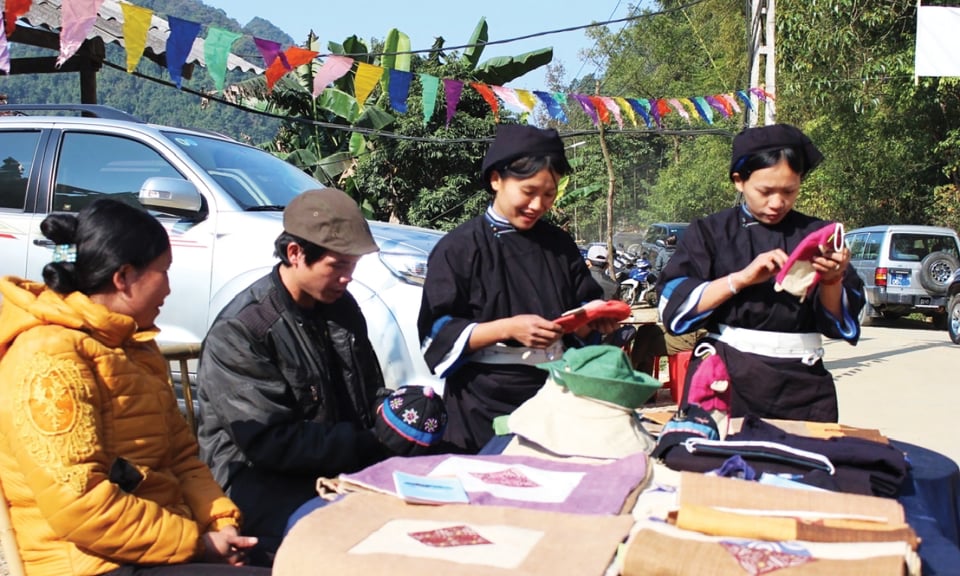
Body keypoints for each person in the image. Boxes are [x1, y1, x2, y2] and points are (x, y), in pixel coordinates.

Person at [0, 199, 267, 576]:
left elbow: (181, 458)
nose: (170, 288)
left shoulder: (133, 346)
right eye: (163, 271)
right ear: (123, 277)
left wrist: (220, 523)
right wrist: (197, 543)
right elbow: (79, 506)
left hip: (160, 545)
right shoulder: (48, 359)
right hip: (95, 564)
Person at [195, 187, 391, 566]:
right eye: (337, 267)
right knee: (345, 540)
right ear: (295, 254)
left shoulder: (342, 308)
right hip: (254, 481)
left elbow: (367, 395)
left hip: (330, 464)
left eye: (352, 267)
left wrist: (396, 413)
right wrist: (370, 442)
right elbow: (269, 442)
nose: (347, 279)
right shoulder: (242, 331)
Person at [418, 123, 619, 454]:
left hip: (554, 394)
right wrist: (507, 327)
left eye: (549, 194)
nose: (538, 204)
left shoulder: (559, 244)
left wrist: (591, 322)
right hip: (480, 402)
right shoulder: (459, 248)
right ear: (496, 179)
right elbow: (436, 332)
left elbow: (582, 307)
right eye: (528, 191)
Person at [657, 123, 864, 422]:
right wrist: (740, 279)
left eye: (789, 191)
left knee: (807, 464)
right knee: (717, 467)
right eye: (765, 191)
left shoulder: (818, 235)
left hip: (803, 385)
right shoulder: (711, 232)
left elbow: (838, 323)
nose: (778, 202)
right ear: (739, 181)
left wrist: (833, 279)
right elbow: (673, 307)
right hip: (726, 377)